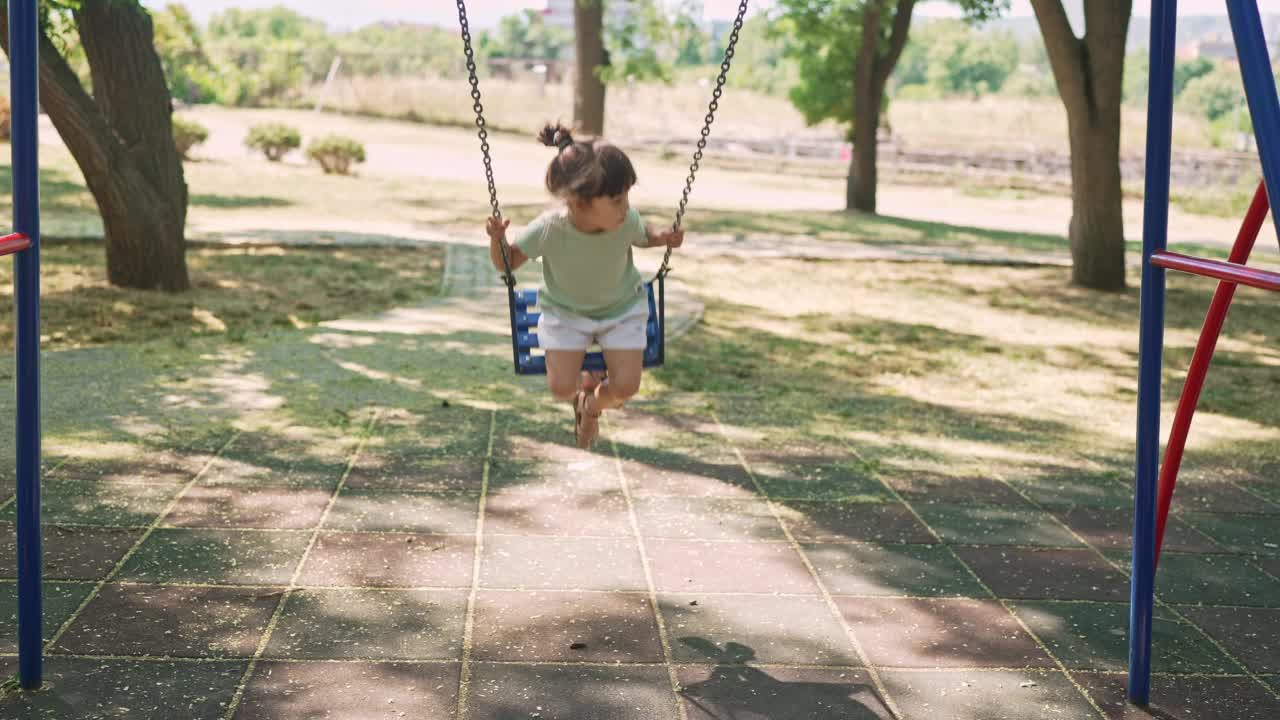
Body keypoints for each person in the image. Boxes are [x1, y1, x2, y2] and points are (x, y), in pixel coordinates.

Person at [486, 122, 684, 449]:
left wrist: (665, 237)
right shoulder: (550, 229)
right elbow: (506, 261)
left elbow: (646, 236)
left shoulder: (626, 221)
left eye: (626, 197)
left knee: (625, 388)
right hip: (566, 313)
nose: (626, 207)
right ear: (579, 203)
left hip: (622, 309)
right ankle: (580, 391)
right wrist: (497, 240)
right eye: (618, 199)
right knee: (561, 388)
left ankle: (591, 407)